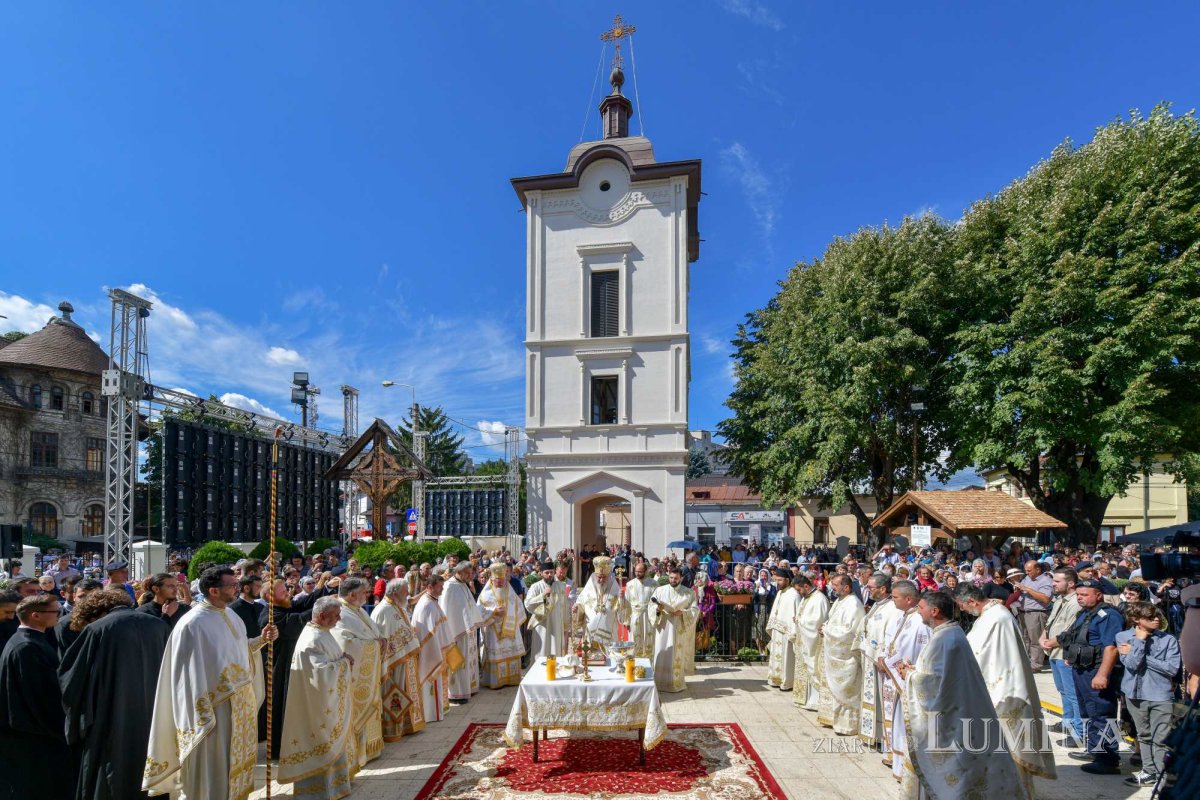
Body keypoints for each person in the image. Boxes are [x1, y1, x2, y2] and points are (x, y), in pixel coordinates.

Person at [143, 566, 276, 798]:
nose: (237, 588)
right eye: (232, 585)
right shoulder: (193, 623)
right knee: (212, 769)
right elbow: (187, 676)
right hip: (213, 710)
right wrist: (204, 709)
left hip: (238, 705)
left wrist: (261, 640)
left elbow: (239, 651)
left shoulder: (231, 615)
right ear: (214, 590)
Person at [900, 590, 1026, 799]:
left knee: (961, 769)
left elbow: (936, 684)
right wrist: (916, 670)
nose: (918, 611)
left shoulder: (944, 639)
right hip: (963, 710)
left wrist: (910, 676)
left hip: (954, 719)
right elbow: (943, 675)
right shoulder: (951, 633)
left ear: (934, 611)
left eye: (921, 608)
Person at [59, 588, 170, 800]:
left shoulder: (97, 629)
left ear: (95, 611)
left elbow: (73, 678)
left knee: (112, 770)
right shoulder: (159, 625)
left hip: (111, 714)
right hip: (154, 712)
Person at [956, 584, 1056, 795]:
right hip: (998, 683)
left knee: (1005, 743)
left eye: (962, 606)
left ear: (972, 601)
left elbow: (977, 655)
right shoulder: (991, 614)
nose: (962, 610)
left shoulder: (995, 619)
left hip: (1001, 690)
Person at [276, 596, 357, 800]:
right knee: (320, 742)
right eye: (336, 615)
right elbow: (320, 674)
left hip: (325, 704)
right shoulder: (311, 640)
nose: (339, 619)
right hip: (316, 707)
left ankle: (335, 786)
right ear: (321, 616)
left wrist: (342, 659)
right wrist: (344, 664)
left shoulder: (323, 632)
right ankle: (317, 792)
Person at [0, 593, 73, 799]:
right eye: (55, 612)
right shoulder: (28, 647)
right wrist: (60, 728)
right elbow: (40, 696)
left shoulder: (30, 641)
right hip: (34, 735)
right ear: (36, 615)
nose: (59, 615)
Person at [258, 573, 335, 755]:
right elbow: (296, 622)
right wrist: (318, 613)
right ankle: (279, 748)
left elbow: (304, 603)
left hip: (292, 666)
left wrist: (326, 588)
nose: (288, 593)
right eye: (283, 591)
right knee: (281, 706)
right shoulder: (270, 616)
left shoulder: (284, 606)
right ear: (270, 596)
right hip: (279, 670)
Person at [1062, 578, 1125, 775]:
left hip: (1095, 670)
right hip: (1082, 669)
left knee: (1102, 714)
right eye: (1078, 595)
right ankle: (1095, 751)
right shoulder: (1086, 613)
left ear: (1098, 595)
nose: (1080, 598)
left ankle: (1108, 760)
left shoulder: (1108, 615)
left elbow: (1111, 648)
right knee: (1088, 713)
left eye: (1084, 595)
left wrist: (1102, 674)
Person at [1116, 600, 1181, 788]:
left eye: (1157, 616)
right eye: (1150, 617)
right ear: (1136, 619)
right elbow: (1131, 664)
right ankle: (1149, 772)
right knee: (1143, 735)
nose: (1156, 619)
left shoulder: (1168, 639)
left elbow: (1171, 668)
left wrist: (1141, 653)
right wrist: (1140, 641)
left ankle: (1162, 776)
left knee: (1161, 738)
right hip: (1135, 695)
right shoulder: (1123, 637)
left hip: (1160, 695)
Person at [331, 577, 386, 768]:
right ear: (352, 594)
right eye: (364, 592)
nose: (367, 595)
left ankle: (371, 748)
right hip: (354, 674)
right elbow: (344, 642)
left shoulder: (358, 609)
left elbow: (371, 631)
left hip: (366, 671)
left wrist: (380, 639)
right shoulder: (340, 611)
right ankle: (359, 751)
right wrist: (375, 645)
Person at [879, 580, 929, 778]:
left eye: (895, 597)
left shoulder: (918, 620)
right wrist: (883, 657)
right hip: (894, 673)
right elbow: (891, 640)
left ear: (908, 599)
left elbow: (911, 651)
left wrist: (887, 662)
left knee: (904, 722)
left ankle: (905, 768)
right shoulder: (903, 615)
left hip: (905, 677)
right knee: (897, 720)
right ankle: (897, 761)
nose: (892, 600)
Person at [371, 578, 423, 740]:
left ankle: (406, 725)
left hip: (404, 659)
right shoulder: (383, 610)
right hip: (392, 663)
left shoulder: (397, 606)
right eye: (405, 590)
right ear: (395, 593)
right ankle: (392, 730)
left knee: (404, 691)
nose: (408, 593)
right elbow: (384, 639)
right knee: (394, 693)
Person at [855, 573, 901, 753]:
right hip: (870, 658)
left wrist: (881, 656)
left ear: (883, 589)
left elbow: (889, 636)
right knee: (871, 695)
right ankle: (872, 733)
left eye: (871, 587)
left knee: (882, 699)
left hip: (880, 661)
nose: (868, 590)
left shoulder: (892, 609)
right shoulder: (877, 604)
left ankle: (883, 736)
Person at [1039, 566, 1084, 743]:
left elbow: (1070, 631)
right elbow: (1050, 623)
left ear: (1071, 583)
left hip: (1065, 653)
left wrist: (1051, 642)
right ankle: (1068, 721)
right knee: (1063, 691)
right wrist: (1043, 636)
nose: (1053, 584)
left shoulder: (1075, 603)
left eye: (1058, 581)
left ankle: (1079, 732)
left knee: (1073, 694)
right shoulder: (1059, 600)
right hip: (1054, 653)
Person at [817, 574, 865, 734]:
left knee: (846, 691)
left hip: (845, 657)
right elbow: (833, 622)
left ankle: (847, 725)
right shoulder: (840, 601)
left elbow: (848, 633)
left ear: (846, 587)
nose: (833, 587)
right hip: (833, 653)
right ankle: (832, 718)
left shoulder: (854, 605)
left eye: (836, 585)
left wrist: (826, 629)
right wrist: (825, 626)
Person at [476, 563, 526, 689]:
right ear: (492, 580)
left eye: (503, 580)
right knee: (496, 652)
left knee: (511, 651)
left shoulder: (510, 591)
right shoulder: (485, 595)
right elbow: (479, 612)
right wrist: (493, 612)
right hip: (493, 630)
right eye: (498, 581)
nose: (501, 583)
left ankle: (512, 679)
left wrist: (510, 613)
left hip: (510, 630)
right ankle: (495, 681)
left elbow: (519, 605)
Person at [412, 575, 454, 723]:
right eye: (439, 586)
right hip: (431, 652)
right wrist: (436, 651)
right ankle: (431, 713)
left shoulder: (432, 601)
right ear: (430, 587)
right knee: (431, 682)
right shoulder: (426, 605)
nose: (442, 589)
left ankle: (438, 710)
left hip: (438, 648)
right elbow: (427, 634)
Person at [440, 561, 484, 703]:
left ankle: (468, 688)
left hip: (467, 631)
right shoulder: (449, 587)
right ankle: (456, 694)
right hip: (456, 633)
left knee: (467, 661)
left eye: (471, 573)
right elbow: (446, 611)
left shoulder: (462, 585)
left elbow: (469, 606)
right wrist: (451, 633)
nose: (471, 576)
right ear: (458, 572)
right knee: (458, 662)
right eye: (468, 573)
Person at [650, 565, 698, 693]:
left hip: (679, 627)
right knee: (662, 652)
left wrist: (683, 612)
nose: (673, 580)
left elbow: (695, 610)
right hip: (663, 627)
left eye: (676, 578)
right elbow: (651, 607)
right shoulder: (660, 590)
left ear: (681, 578)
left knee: (676, 654)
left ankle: (676, 683)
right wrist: (657, 610)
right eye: (671, 577)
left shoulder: (689, 592)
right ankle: (659, 683)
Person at [792, 574, 830, 711]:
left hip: (814, 643)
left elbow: (817, 622)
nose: (798, 593)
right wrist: (798, 619)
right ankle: (806, 699)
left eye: (799, 590)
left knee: (814, 669)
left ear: (806, 586)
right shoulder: (806, 598)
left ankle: (816, 701)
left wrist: (799, 620)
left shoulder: (819, 599)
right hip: (804, 641)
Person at [575, 555, 627, 646]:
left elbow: (622, 613)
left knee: (609, 653)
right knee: (591, 654)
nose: (601, 579)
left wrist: (622, 599)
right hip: (590, 630)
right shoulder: (589, 587)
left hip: (609, 632)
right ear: (595, 575)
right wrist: (576, 608)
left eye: (604, 577)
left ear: (609, 576)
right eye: (599, 577)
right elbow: (580, 604)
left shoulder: (615, 588)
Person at [765, 567, 801, 690]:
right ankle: (775, 679)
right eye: (776, 580)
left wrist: (793, 633)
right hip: (777, 631)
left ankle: (787, 682)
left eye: (780, 580)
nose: (777, 583)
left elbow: (795, 615)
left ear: (787, 580)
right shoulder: (780, 593)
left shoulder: (794, 595)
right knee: (776, 657)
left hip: (787, 633)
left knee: (786, 659)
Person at [1015, 560, 1054, 671]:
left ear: (1038, 569)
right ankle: (1028, 662)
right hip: (1024, 612)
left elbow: (1046, 598)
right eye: (1026, 571)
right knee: (1026, 639)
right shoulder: (1027, 578)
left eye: (1029, 571)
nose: (1027, 573)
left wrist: (1027, 589)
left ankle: (1036, 665)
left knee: (1036, 640)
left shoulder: (1045, 581)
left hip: (1036, 613)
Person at [525, 561, 568, 659]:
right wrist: (542, 595)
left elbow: (565, 605)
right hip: (542, 626)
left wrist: (566, 626)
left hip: (556, 626)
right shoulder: (535, 587)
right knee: (541, 653)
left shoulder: (561, 586)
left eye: (551, 572)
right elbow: (527, 603)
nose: (549, 575)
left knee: (556, 652)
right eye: (546, 572)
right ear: (541, 573)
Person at [624, 560, 658, 658]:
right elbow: (627, 603)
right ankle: (634, 662)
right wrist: (627, 621)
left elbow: (657, 601)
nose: (637, 574)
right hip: (635, 616)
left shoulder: (654, 584)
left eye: (640, 572)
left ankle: (649, 662)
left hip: (649, 616)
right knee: (635, 639)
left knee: (649, 639)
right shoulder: (630, 584)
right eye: (636, 571)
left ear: (646, 571)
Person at [228, 574, 264, 639]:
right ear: (246, 588)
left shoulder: (261, 607)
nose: (261, 589)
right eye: (258, 586)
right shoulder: (232, 609)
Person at [753, 567, 777, 655]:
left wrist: (766, 589)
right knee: (759, 630)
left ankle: (767, 651)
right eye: (762, 575)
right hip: (759, 610)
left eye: (765, 575)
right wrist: (756, 589)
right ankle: (761, 651)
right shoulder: (756, 585)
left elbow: (772, 597)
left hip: (768, 610)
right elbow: (753, 598)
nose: (763, 577)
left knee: (767, 630)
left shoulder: (772, 587)